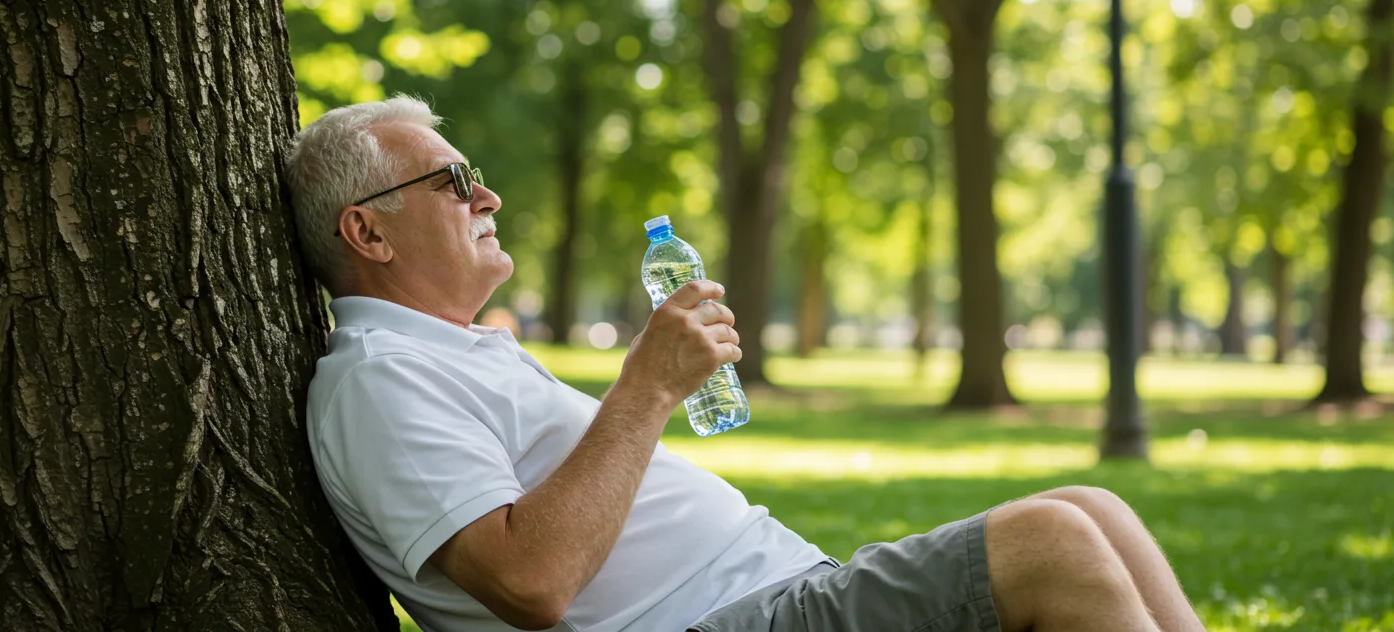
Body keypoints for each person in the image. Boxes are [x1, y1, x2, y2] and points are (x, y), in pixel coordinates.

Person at [285, 96, 1206, 632]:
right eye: (449, 182)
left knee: (1096, 510)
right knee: (1053, 543)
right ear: (365, 230)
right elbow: (529, 584)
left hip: (771, 596)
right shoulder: (379, 377)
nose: (484, 192)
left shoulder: (451, 352)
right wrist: (648, 385)